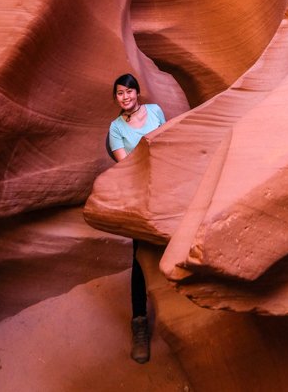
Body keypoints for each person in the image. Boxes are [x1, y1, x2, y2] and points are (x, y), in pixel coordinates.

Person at [108, 73, 165, 364]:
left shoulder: (155, 112)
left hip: (167, 190)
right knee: (140, 257)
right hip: (140, 196)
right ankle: (139, 323)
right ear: (116, 98)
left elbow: (171, 146)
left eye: (129, 91)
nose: (125, 96)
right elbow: (126, 164)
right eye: (120, 93)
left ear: (137, 92)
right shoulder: (116, 128)